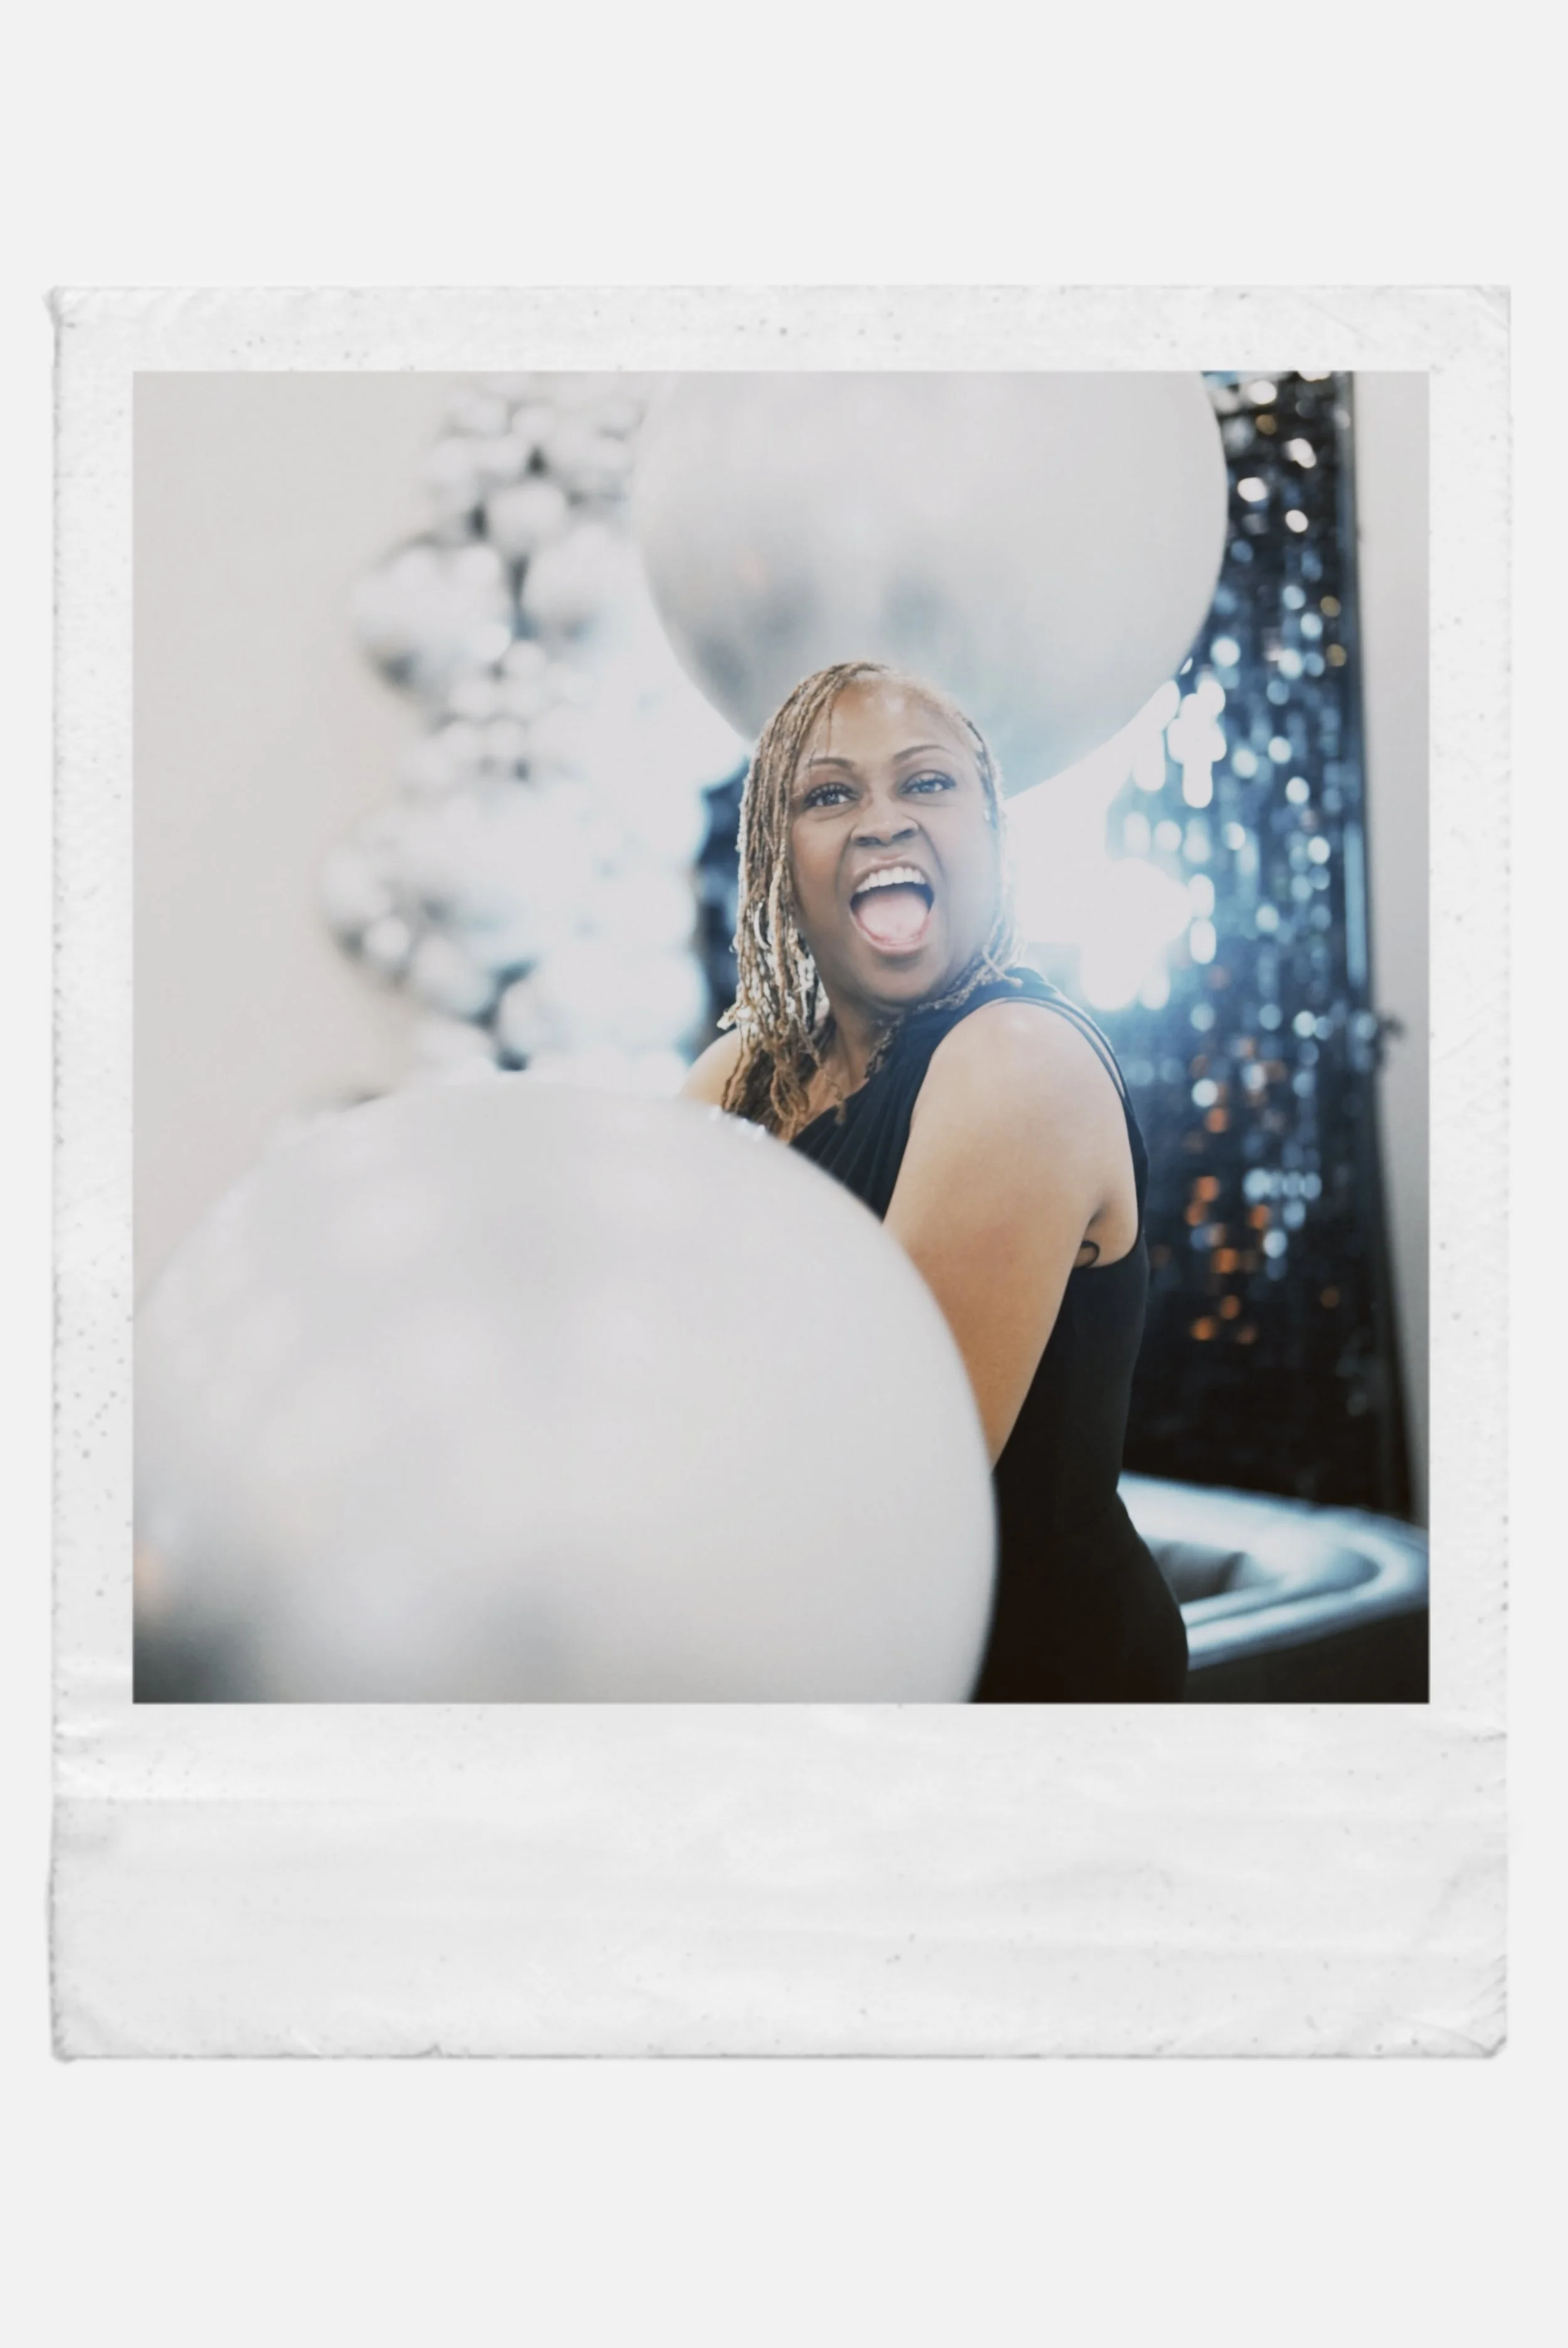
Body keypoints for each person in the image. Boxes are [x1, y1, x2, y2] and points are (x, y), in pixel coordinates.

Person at [682, 659, 1189, 1702]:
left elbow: (886, 1494)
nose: (884, 822)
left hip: (1024, 1701)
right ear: (776, 856)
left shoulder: (1017, 1063)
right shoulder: (740, 1076)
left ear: (993, 835)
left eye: (927, 782)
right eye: (830, 795)